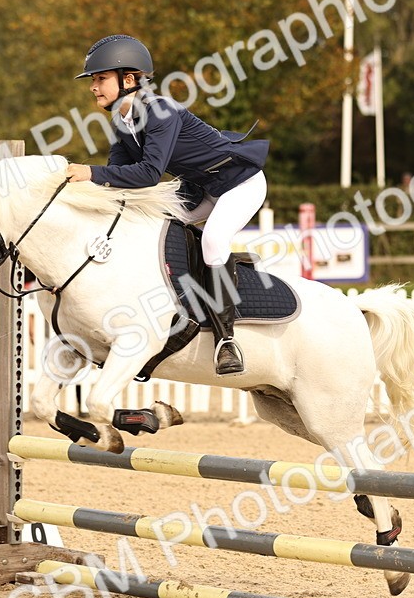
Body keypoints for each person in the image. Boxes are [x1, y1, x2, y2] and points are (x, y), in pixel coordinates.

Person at [64, 34, 269, 376]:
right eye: (94, 80)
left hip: (240, 183)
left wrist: (89, 172)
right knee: (151, 229)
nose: (93, 87)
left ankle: (226, 340)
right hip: (201, 187)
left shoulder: (159, 111)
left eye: (100, 79)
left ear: (127, 80)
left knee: (214, 240)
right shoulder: (122, 120)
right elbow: (117, 175)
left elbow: (146, 173)